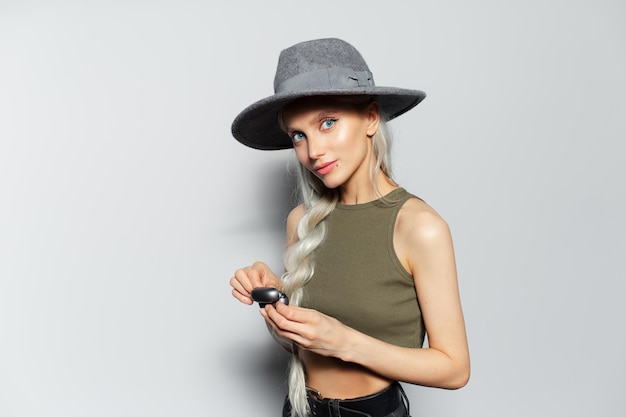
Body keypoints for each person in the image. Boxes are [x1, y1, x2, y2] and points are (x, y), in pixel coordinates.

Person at [229, 38, 470, 417]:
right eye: (298, 135)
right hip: (299, 407)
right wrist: (275, 301)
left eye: (328, 123)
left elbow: (455, 369)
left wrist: (345, 342)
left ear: (371, 118)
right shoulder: (302, 221)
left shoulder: (418, 227)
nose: (313, 151)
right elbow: (301, 346)